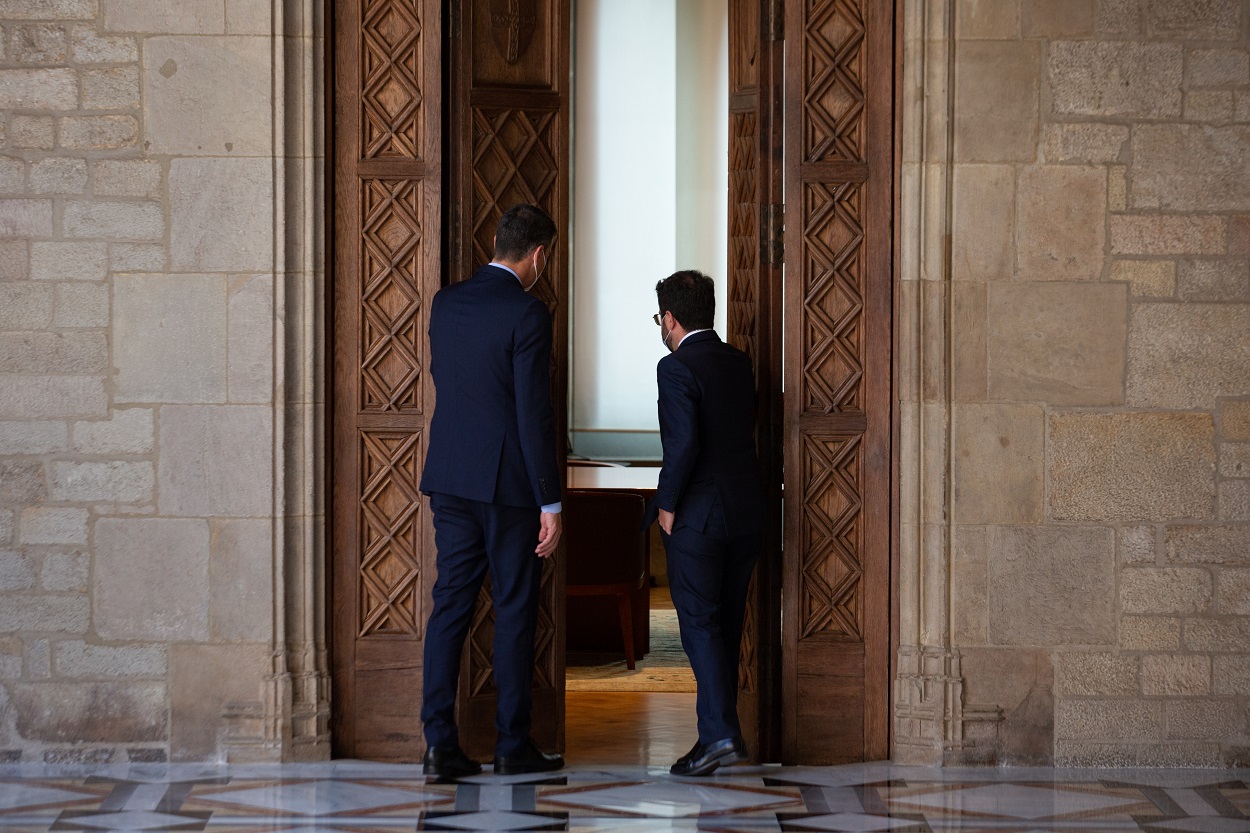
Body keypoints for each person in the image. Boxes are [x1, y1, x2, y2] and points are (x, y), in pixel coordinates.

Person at [418, 203, 565, 779]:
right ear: (537, 255)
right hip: (508, 486)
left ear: (496, 242)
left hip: (452, 477)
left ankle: (439, 745)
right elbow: (533, 413)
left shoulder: (446, 302)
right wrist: (550, 501)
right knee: (513, 608)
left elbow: (450, 383)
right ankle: (511, 745)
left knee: (450, 605)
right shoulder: (528, 313)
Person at [646, 269, 765, 777]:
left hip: (699, 516)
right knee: (725, 626)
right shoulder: (739, 363)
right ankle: (713, 736)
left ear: (670, 319)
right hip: (747, 513)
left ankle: (718, 734)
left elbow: (683, 443)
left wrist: (666, 504)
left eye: (660, 320)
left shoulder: (674, 367)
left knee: (698, 626)